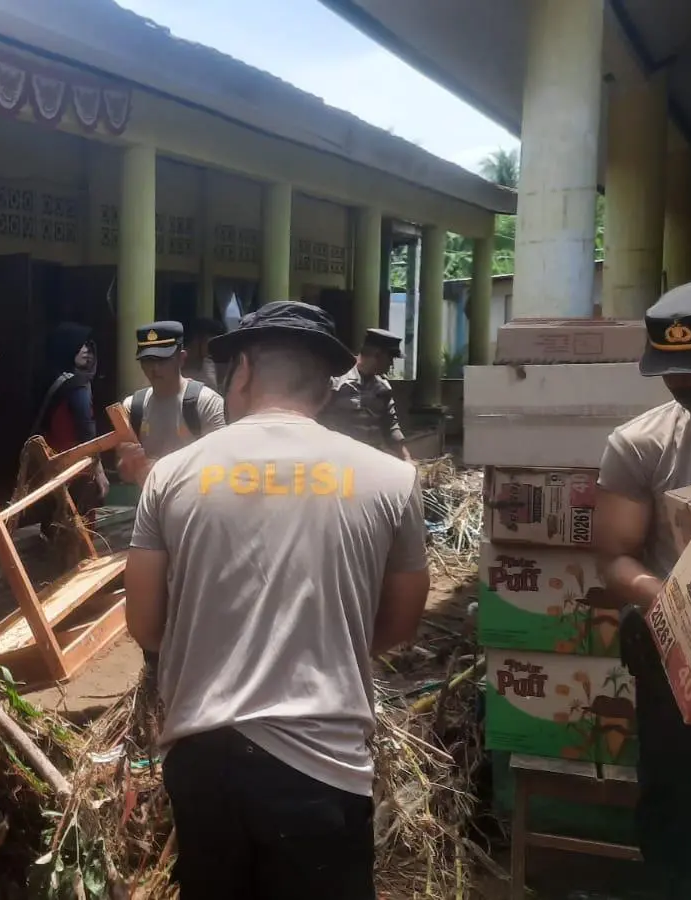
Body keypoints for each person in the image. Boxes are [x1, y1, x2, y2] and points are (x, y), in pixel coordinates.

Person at [124, 301, 430, 899]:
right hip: (326, 767)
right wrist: (321, 636)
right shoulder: (392, 479)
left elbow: (146, 623)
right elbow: (397, 627)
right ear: (323, 386)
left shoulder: (170, 476)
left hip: (203, 759)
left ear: (240, 374)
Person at [593, 281, 691, 898]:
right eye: (675, 377)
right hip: (684, 662)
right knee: (681, 813)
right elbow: (613, 555)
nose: (690, 390)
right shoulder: (642, 443)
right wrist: (667, 597)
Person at [115, 321, 227, 488]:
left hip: (192, 504)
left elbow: (224, 465)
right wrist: (129, 462)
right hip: (149, 505)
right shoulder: (133, 406)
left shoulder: (207, 403)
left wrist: (160, 469)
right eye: (148, 360)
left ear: (181, 358)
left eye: (163, 360)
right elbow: (125, 473)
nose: (155, 368)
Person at [32, 321, 108, 510]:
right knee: (78, 527)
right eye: (79, 345)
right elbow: (86, 430)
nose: (86, 351)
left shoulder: (45, 379)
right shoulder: (78, 385)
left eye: (89, 346)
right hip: (77, 469)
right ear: (65, 346)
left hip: (49, 467)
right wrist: (98, 471)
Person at [322, 327, 412, 460]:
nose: (391, 364)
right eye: (390, 358)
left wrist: (406, 458)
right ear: (377, 355)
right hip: (337, 458)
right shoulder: (336, 380)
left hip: (369, 459)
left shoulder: (383, 388)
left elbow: (391, 426)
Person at [182, 317, 225, 390]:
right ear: (196, 340)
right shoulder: (175, 365)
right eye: (211, 342)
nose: (216, 347)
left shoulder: (212, 365)